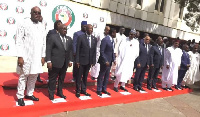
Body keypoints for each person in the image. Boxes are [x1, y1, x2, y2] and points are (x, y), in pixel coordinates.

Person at [15, 6, 46, 106]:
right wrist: (20, 56)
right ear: (30, 13)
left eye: (39, 13)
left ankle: (29, 93)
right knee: (23, 76)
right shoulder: (23, 23)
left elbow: (43, 42)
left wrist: (43, 56)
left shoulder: (41, 26)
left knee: (34, 75)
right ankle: (20, 96)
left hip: (37, 56)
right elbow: (18, 40)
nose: (37, 14)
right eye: (35, 12)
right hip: (26, 56)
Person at [46, 24, 73, 100]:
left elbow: (70, 51)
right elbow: (48, 49)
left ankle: (59, 92)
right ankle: (51, 93)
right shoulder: (53, 37)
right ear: (59, 30)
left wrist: (71, 60)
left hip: (65, 63)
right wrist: (48, 61)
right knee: (53, 79)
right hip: (55, 62)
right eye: (63, 29)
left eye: (66, 29)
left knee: (61, 78)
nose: (65, 30)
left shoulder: (69, 39)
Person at [75, 24, 97, 98]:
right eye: (89, 29)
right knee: (79, 77)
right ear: (86, 29)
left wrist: (93, 61)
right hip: (81, 61)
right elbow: (77, 50)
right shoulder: (81, 37)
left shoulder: (94, 38)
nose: (91, 30)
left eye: (92, 29)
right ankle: (77, 91)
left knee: (85, 77)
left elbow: (94, 51)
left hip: (89, 61)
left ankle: (83, 90)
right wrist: (77, 61)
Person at [96, 28, 116, 96]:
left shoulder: (112, 40)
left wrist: (114, 59)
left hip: (110, 62)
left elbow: (112, 51)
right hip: (104, 62)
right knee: (101, 75)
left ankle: (104, 89)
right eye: (115, 33)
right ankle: (99, 89)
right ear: (112, 33)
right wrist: (105, 61)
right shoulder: (105, 40)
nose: (116, 34)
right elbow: (102, 51)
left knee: (107, 76)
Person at [37, 15, 47, 83]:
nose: (41, 19)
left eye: (42, 18)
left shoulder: (43, 25)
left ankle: (38, 77)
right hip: (34, 47)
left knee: (39, 63)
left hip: (41, 47)